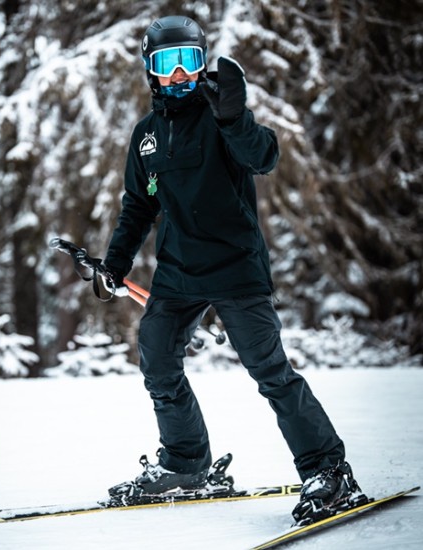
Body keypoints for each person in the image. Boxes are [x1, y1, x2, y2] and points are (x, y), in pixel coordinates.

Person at [102, 14, 362, 523]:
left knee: (271, 373)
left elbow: (263, 157)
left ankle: (328, 472)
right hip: (177, 273)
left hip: (237, 268)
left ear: (201, 63)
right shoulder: (147, 135)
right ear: (151, 72)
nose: (178, 74)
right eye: (166, 64)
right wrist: (115, 261)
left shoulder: (222, 113)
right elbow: (138, 205)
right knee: (157, 360)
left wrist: (235, 117)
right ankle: (186, 464)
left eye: (188, 61)